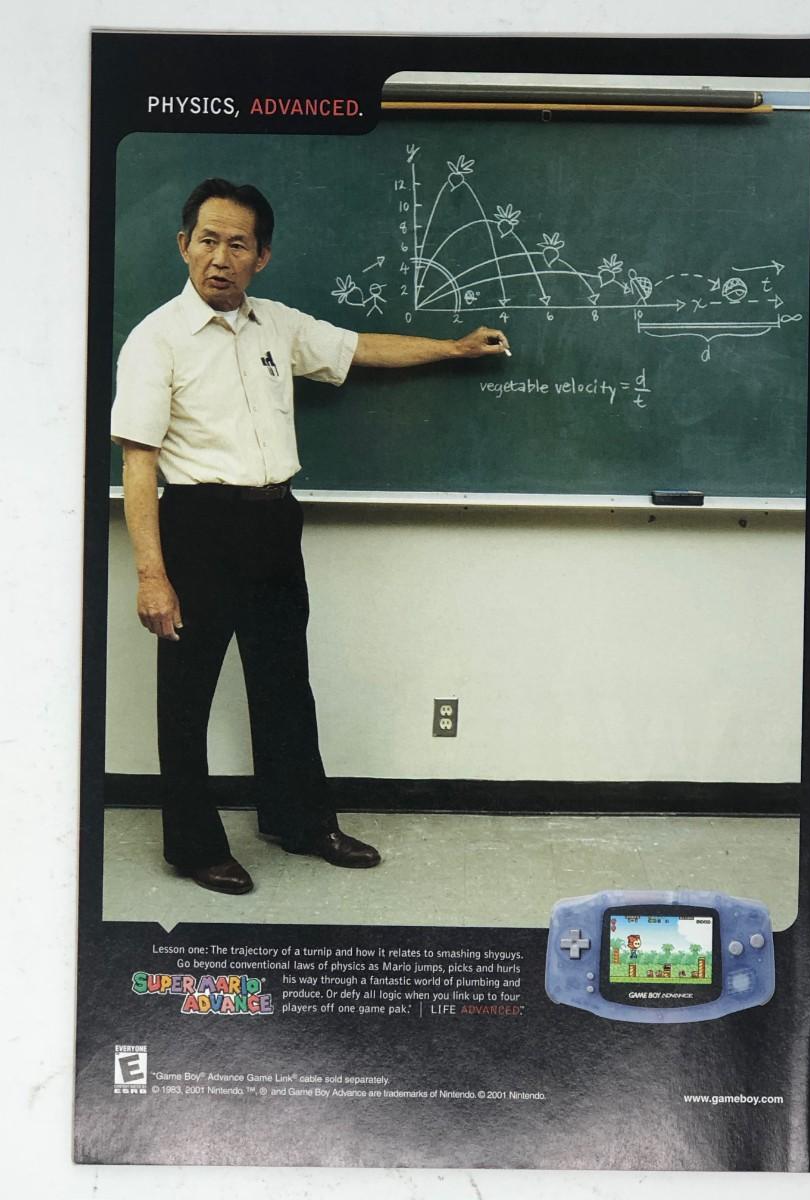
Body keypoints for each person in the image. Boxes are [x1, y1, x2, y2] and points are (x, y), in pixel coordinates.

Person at [111, 177, 510, 896]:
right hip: (199, 524)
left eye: (238, 244)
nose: (220, 258)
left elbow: (361, 347)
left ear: (261, 256)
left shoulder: (277, 326)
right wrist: (151, 574)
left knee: (284, 683)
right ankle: (194, 847)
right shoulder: (155, 339)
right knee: (187, 696)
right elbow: (138, 462)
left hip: (274, 521)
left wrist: (453, 348)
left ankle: (299, 821)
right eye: (208, 241)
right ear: (184, 245)